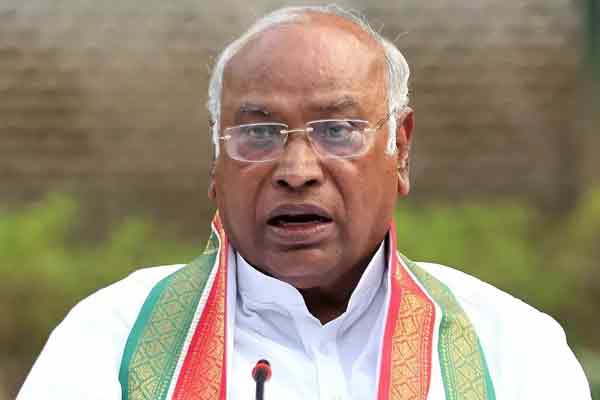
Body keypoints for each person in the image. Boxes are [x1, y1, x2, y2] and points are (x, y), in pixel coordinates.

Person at [17, 5, 591, 400]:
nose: (296, 171)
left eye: (338, 131)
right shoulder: (111, 343)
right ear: (215, 162)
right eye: (258, 134)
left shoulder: (508, 348)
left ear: (401, 150)